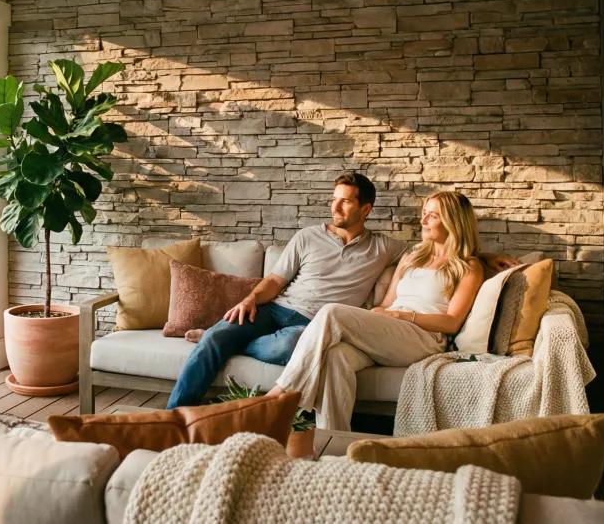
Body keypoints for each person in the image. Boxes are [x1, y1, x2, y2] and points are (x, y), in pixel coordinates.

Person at [165, 174, 512, 410]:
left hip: (314, 324)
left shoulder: (385, 248)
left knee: (290, 343)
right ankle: (175, 416)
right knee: (217, 337)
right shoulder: (307, 236)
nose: (335, 207)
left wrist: (482, 255)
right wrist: (250, 298)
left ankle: (271, 394)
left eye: (345, 202)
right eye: (335, 200)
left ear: (365, 209)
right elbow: (274, 281)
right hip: (277, 309)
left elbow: (446, 257)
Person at [266, 191, 485, 430]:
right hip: (390, 332)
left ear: (453, 222)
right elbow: (388, 302)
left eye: (431, 216)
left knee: (332, 312)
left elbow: (452, 322)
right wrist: (377, 316)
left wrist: (400, 316)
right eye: (424, 214)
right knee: (335, 356)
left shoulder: (469, 267)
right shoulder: (411, 257)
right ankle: (332, 442)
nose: (422, 221)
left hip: (424, 338)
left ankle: (282, 394)